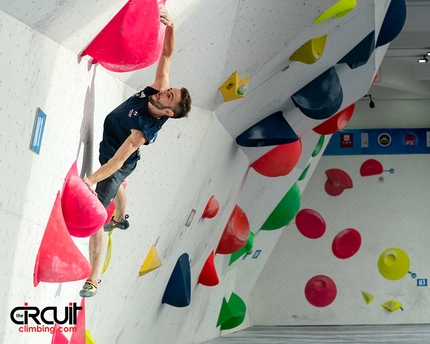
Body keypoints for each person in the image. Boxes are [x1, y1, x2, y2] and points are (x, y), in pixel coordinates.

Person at [79, 6, 192, 298]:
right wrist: (171, 27)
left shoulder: (143, 130)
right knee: (119, 189)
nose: (164, 90)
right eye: (169, 90)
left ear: (168, 111)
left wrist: (90, 181)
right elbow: (166, 57)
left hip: (118, 162)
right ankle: (122, 219)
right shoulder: (157, 90)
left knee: (98, 216)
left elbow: (117, 161)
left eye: (168, 95)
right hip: (112, 154)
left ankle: (94, 278)